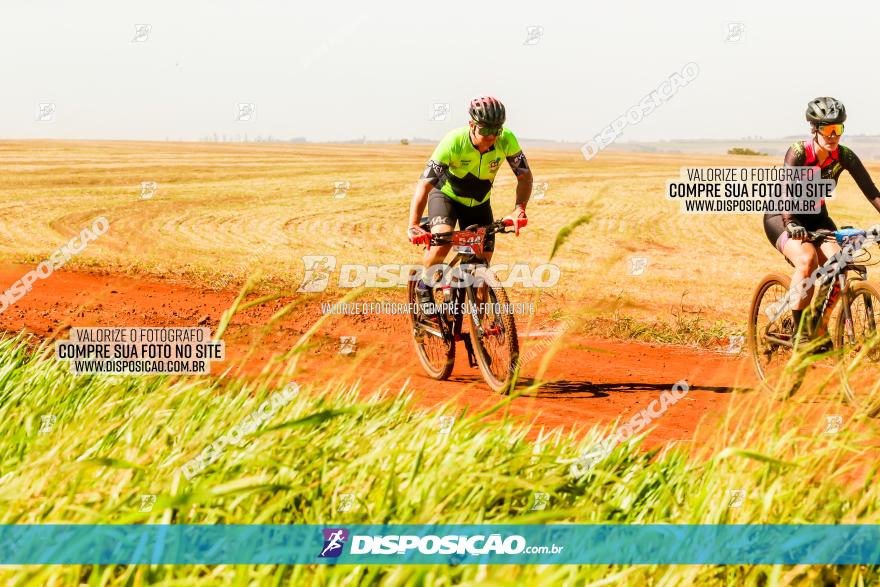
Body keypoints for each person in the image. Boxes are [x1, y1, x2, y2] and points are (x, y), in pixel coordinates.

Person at [763, 97, 880, 342]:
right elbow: (785, 190)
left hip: (817, 217)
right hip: (782, 215)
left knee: (841, 262)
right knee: (807, 259)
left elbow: (873, 194)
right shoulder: (798, 153)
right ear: (815, 129)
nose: (833, 135)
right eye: (827, 129)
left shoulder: (844, 156)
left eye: (838, 129)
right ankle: (800, 335)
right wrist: (791, 223)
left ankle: (817, 325)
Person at [406, 96, 533, 311]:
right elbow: (424, 186)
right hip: (446, 196)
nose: (491, 136)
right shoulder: (453, 141)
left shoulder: (506, 139)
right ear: (472, 125)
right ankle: (422, 285)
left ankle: (480, 331)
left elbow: (525, 177)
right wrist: (414, 224)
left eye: (496, 130)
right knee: (443, 241)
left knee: (481, 266)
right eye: (485, 130)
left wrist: (519, 209)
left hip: (480, 203)